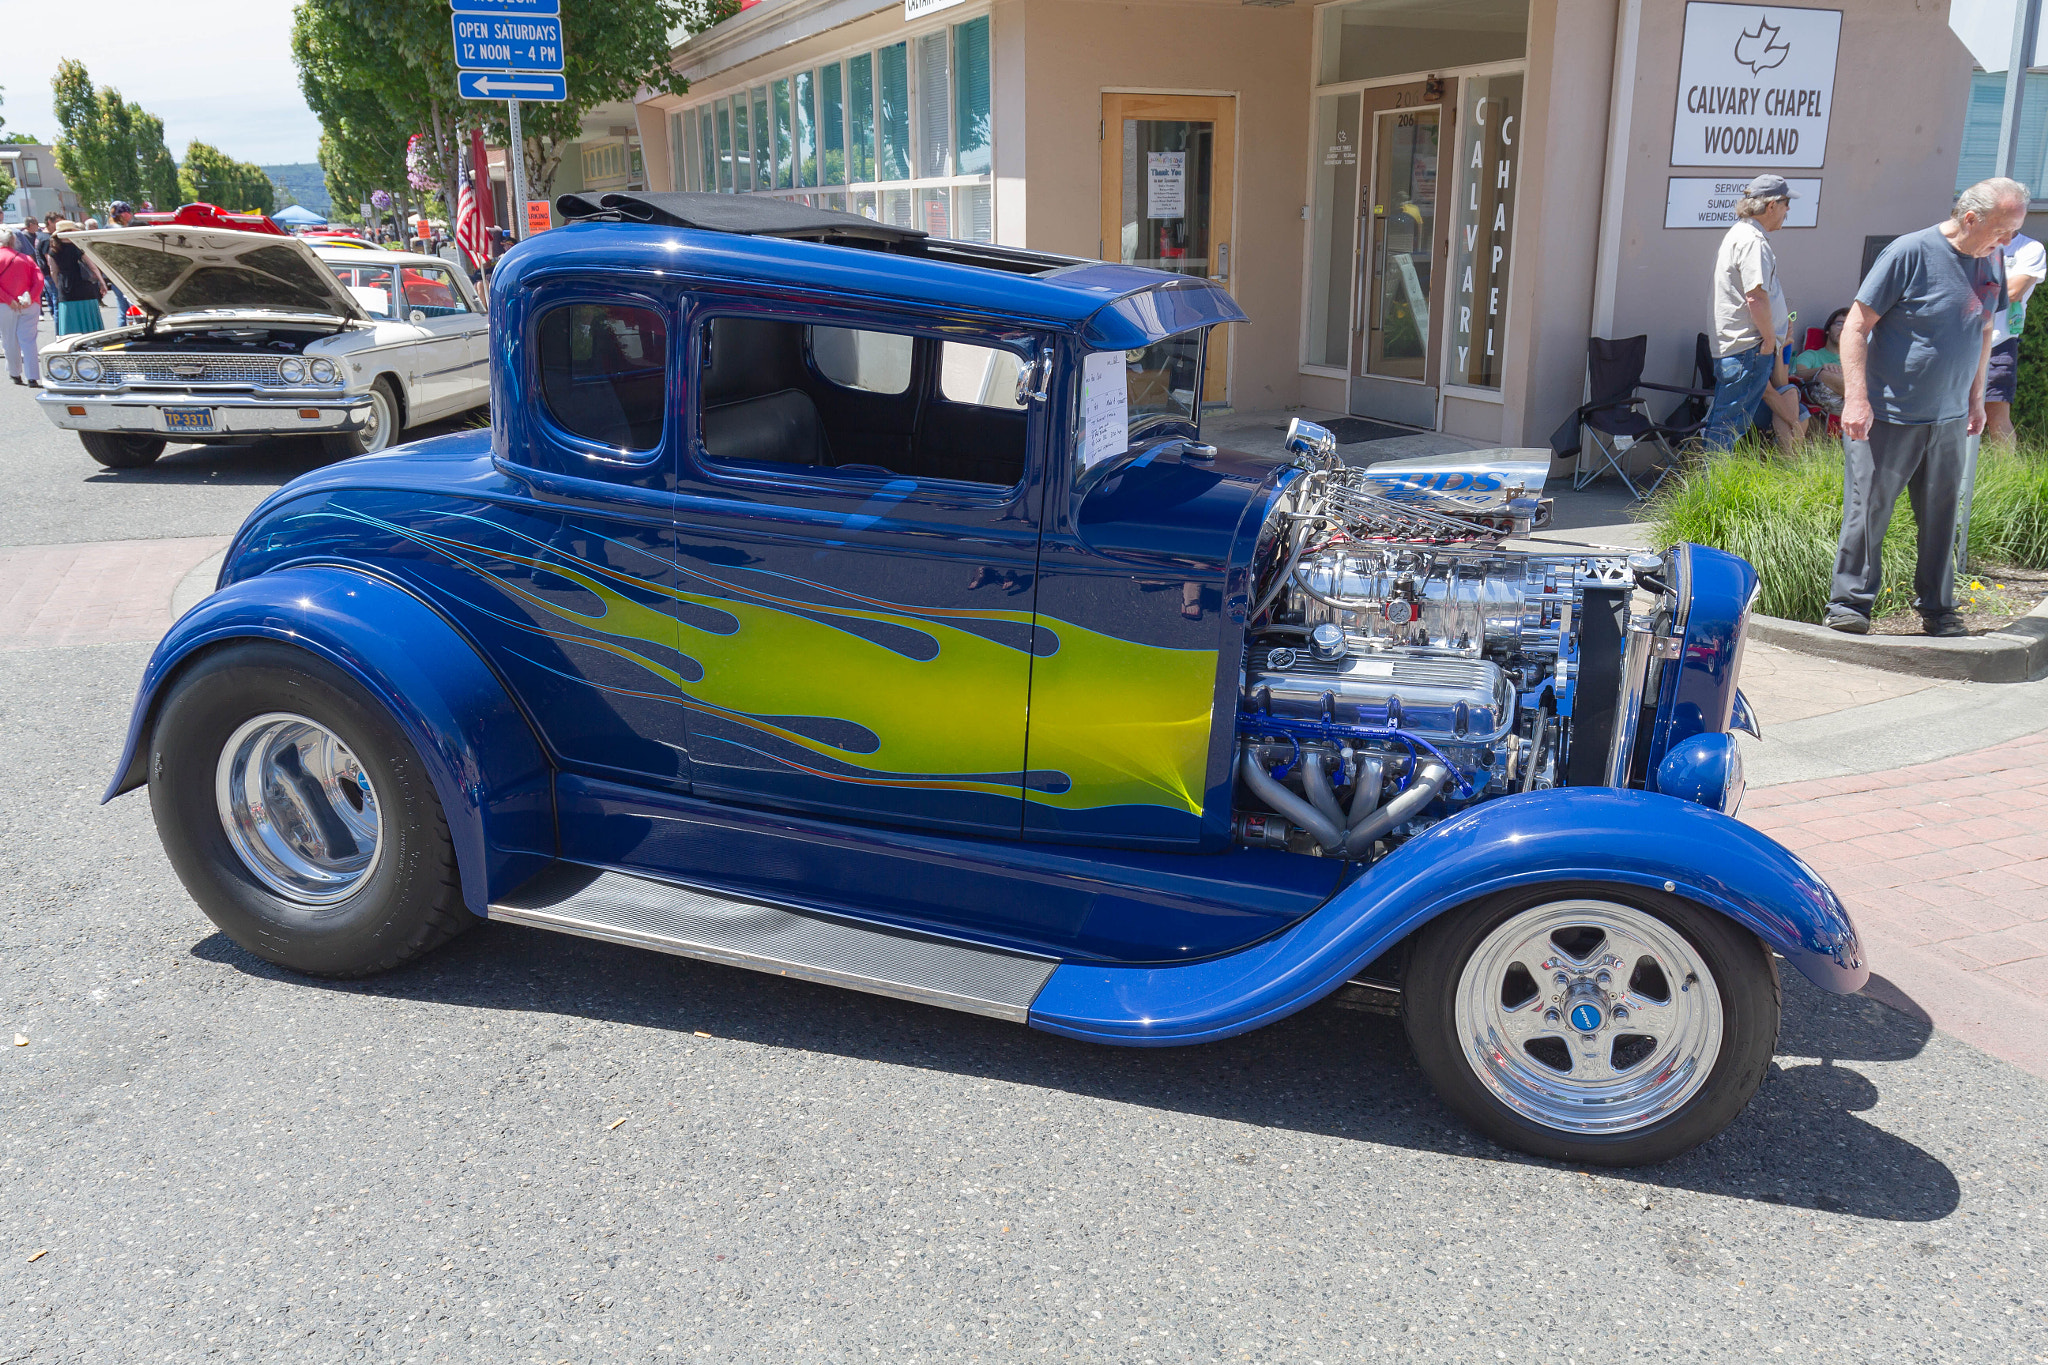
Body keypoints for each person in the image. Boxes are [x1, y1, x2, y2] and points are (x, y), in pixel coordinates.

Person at [1824, 177, 2026, 638]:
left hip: (1951, 417)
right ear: (1970, 218)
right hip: (1889, 416)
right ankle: (1849, 607)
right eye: (2003, 230)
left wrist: (1976, 397)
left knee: (1941, 517)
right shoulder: (1908, 253)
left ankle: (1938, 609)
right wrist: (1856, 399)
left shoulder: (1990, 256)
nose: (2009, 241)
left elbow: (1983, 332)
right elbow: (1855, 327)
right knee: (1868, 512)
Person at [1702, 174, 1797, 453]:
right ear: (1770, 206)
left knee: (1728, 424)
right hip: (1749, 349)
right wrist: (1769, 340)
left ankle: (1713, 490)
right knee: (1728, 426)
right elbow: (1755, 297)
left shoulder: (1740, 233)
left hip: (1743, 349)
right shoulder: (1753, 241)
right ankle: (1713, 493)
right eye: (1785, 203)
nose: (1787, 210)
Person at [1984, 226, 2047, 445]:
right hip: (1958, 339)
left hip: (1999, 341)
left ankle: (2007, 475)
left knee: (1997, 414)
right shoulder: (1973, 241)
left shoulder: (2029, 248)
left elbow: (2013, 292)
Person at [0, 227, 44, 386]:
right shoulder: (26, 258)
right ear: (14, 241)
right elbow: (39, 280)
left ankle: (15, 373)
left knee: (9, 340)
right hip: (28, 303)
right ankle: (32, 376)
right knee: (29, 340)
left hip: (5, 305)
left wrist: (8, 299)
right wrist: (31, 298)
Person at [47, 221, 107, 336]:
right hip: (84, 286)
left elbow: (54, 271)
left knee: (70, 321)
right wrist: (102, 282)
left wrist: (57, 285)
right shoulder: (78, 247)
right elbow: (93, 267)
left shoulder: (53, 251)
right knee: (89, 321)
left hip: (66, 288)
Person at [1792, 306, 1850, 419]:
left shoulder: (1856, 361)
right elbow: (1797, 374)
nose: (1843, 329)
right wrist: (1822, 369)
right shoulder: (1812, 355)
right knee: (1824, 374)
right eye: (1839, 324)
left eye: (1849, 326)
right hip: (1829, 397)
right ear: (1828, 330)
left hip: (1850, 403)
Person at [104, 201, 135, 320]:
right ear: (123, 215)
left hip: (114, 273)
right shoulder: (121, 230)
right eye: (128, 212)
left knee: (123, 311)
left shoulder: (105, 229)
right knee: (133, 310)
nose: (131, 215)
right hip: (126, 274)